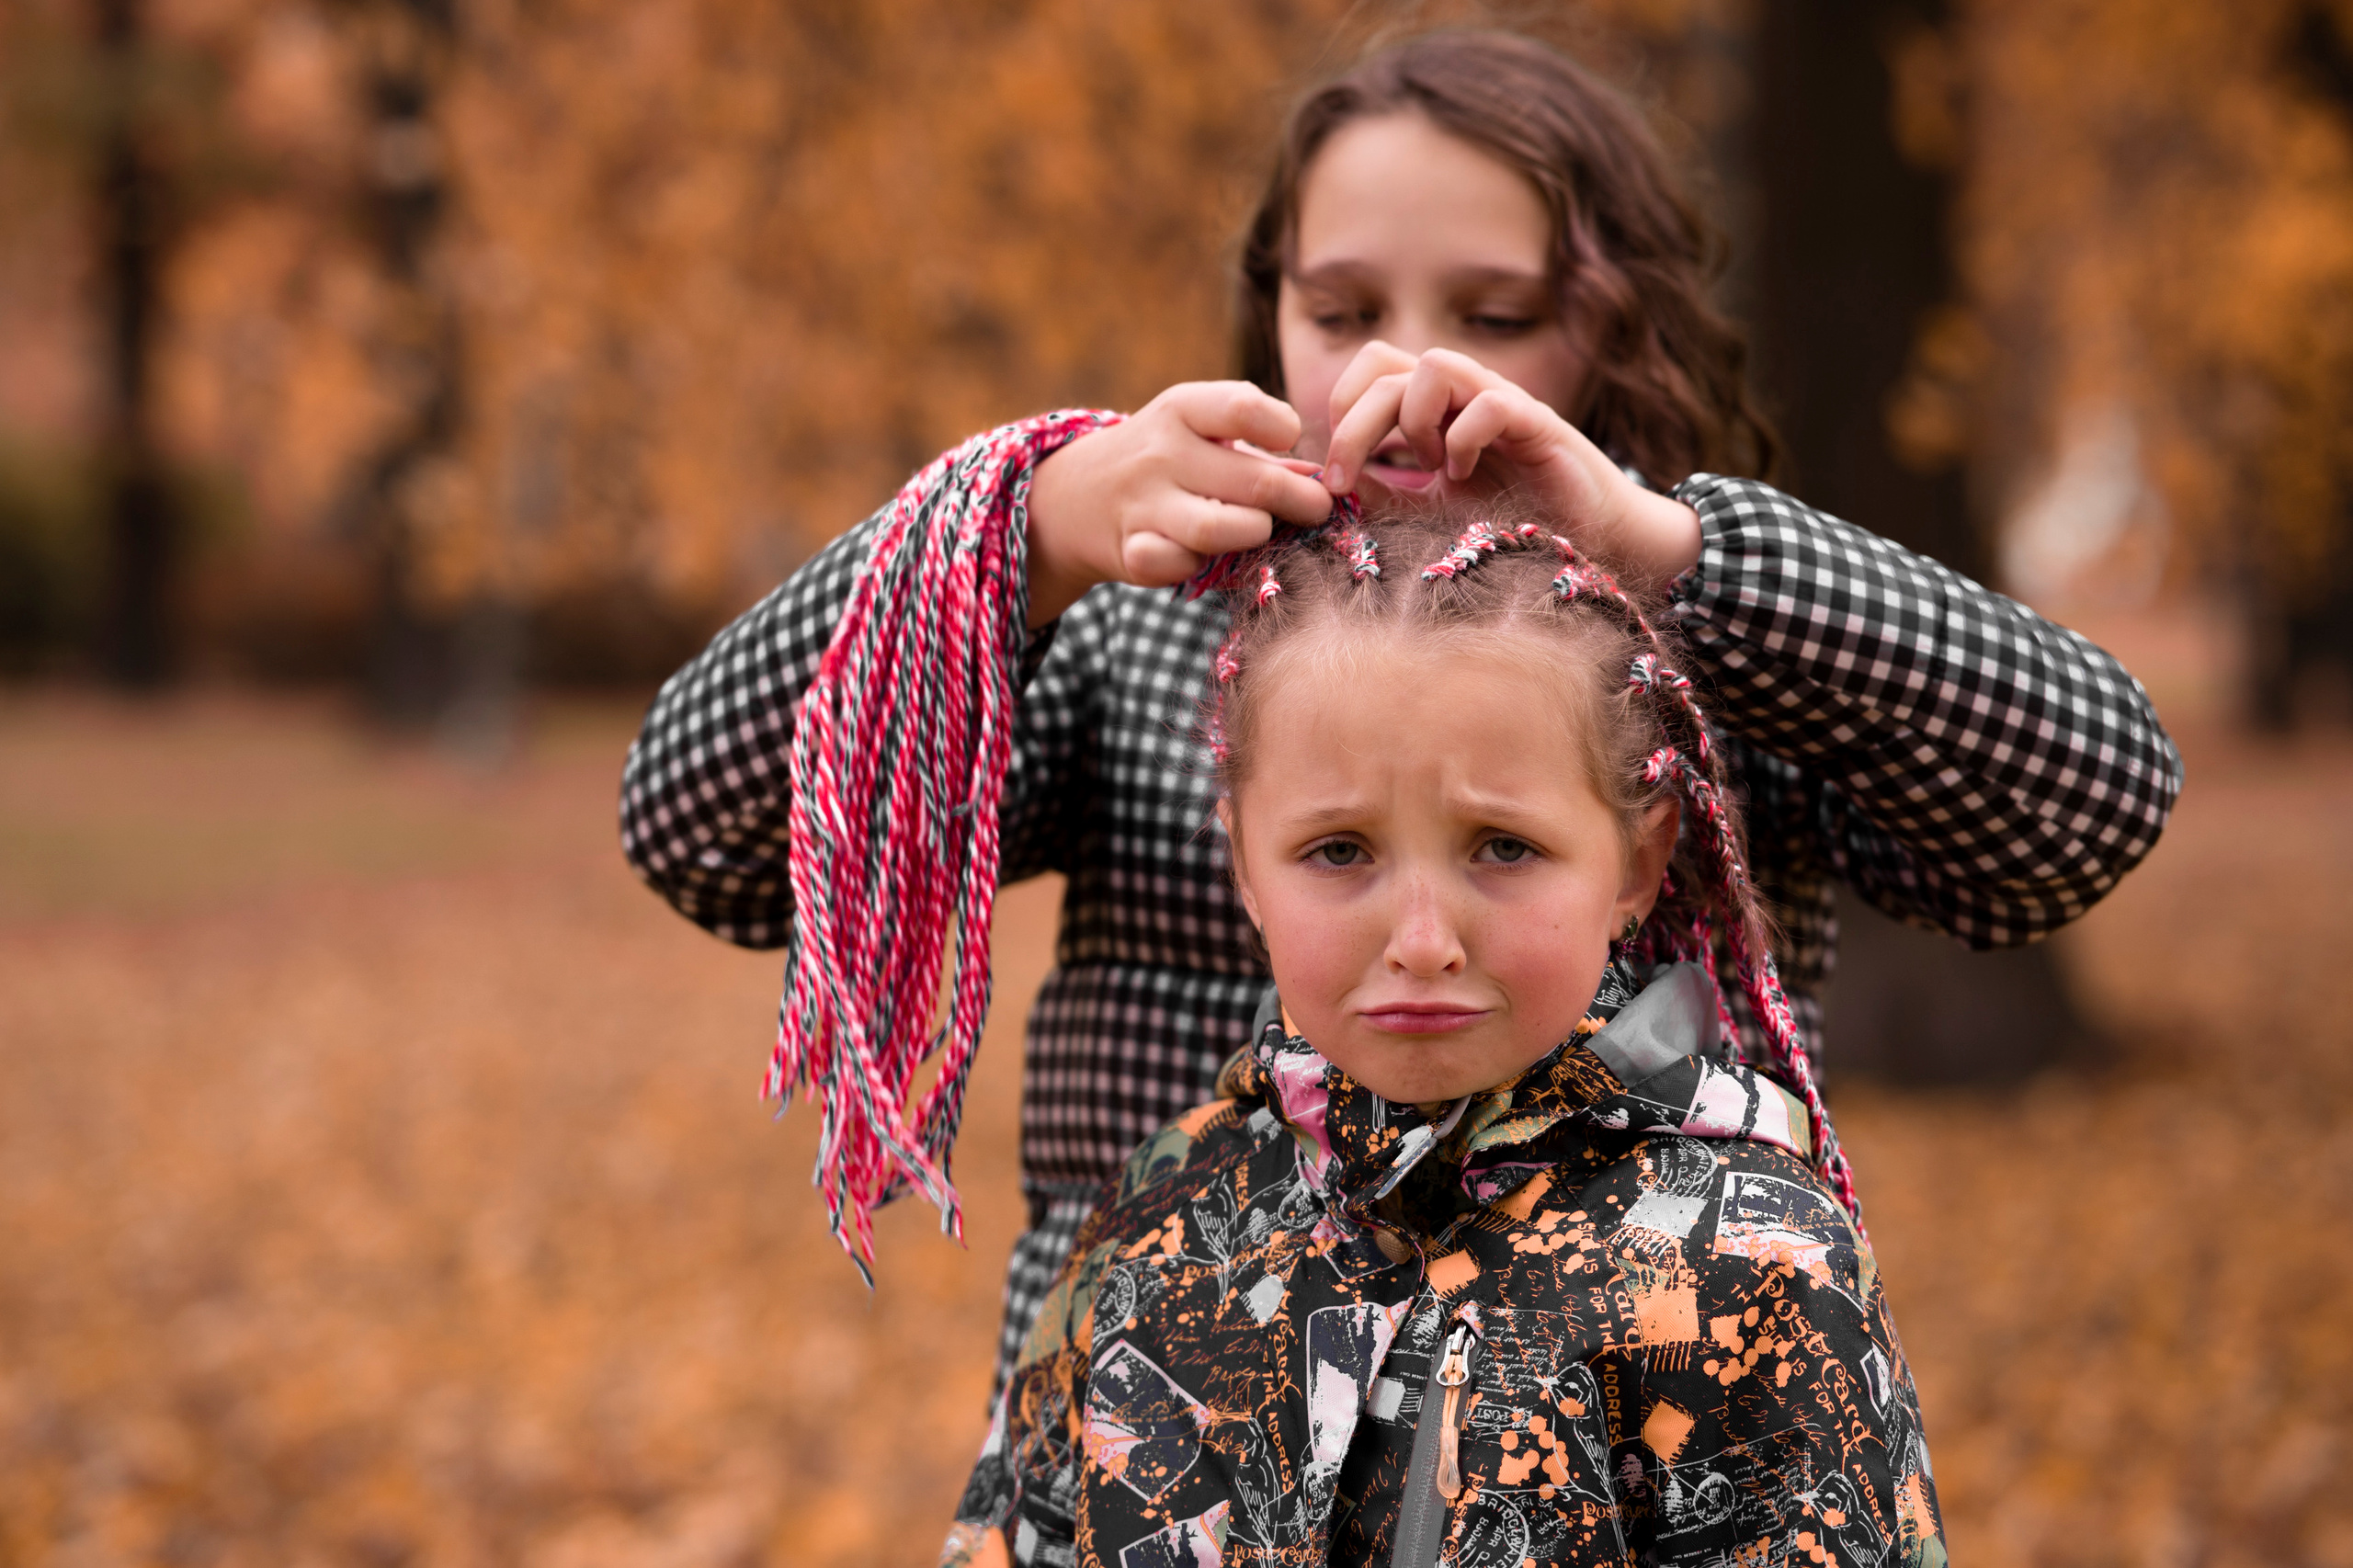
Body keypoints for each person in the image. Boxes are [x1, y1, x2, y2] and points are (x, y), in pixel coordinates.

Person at [619, 31, 2179, 1383]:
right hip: (1150, 1467)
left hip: (1622, 1467)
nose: (1411, 361)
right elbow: (703, 834)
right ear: (1271, 314)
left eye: (1496, 311)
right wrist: (1005, 537)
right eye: (1342, 302)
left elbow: (2087, 805)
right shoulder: (1145, 653)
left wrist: (1670, 551)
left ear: (1616, 322)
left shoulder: (1708, 666)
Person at [942, 508, 1945, 1567]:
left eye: (1503, 846)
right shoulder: (1157, 1218)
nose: (1423, 943)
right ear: (1243, 863)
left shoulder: (1751, 1261)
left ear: (1637, 864)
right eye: (1338, 850)